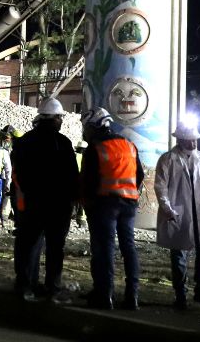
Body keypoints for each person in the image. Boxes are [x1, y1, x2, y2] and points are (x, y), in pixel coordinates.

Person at [12, 98, 78, 301]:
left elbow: (19, 173)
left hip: (33, 203)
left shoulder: (25, 141)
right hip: (58, 205)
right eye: (60, 118)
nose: (61, 121)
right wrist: (73, 201)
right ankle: (53, 288)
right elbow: (72, 175)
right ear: (55, 119)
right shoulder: (62, 143)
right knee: (55, 247)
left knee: (28, 244)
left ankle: (25, 285)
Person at [154, 117, 200, 309]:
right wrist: (168, 210)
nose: (193, 143)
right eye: (190, 139)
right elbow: (161, 188)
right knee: (179, 258)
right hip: (179, 216)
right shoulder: (168, 160)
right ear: (180, 140)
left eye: (195, 139)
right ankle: (181, 295)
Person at [79, 107, 143, 310]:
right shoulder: (129, 144)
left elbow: (88, 181)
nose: (85, 131)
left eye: (87, 127)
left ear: (95, 125)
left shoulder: (95, 148)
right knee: (129, 248)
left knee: (104, 249)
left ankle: (104, 295)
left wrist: (85, 203)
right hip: (129, 204)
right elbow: (139, 175)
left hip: (105, 205)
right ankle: (132, 296)